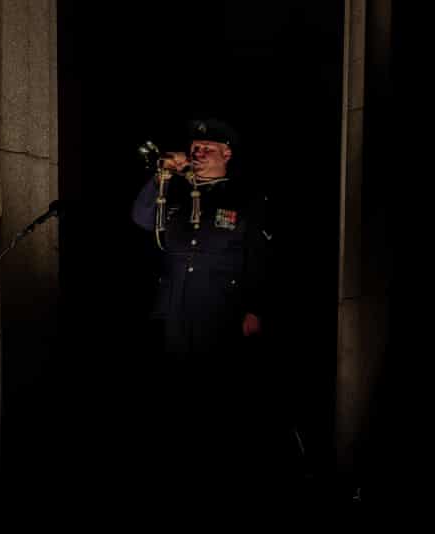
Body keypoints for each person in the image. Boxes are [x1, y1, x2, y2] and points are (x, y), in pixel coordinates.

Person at [130, 118, 277, 492]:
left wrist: (254, 308)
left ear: (227, 153)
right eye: (194, 148)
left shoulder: (244, 197)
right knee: (175, 399)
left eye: (207, 148)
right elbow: (142, 218)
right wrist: (162, 174)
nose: (197, 153)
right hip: (174, 309)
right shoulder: (177, 193)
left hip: (220, 310)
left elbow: (257, 257)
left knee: (218, 399)